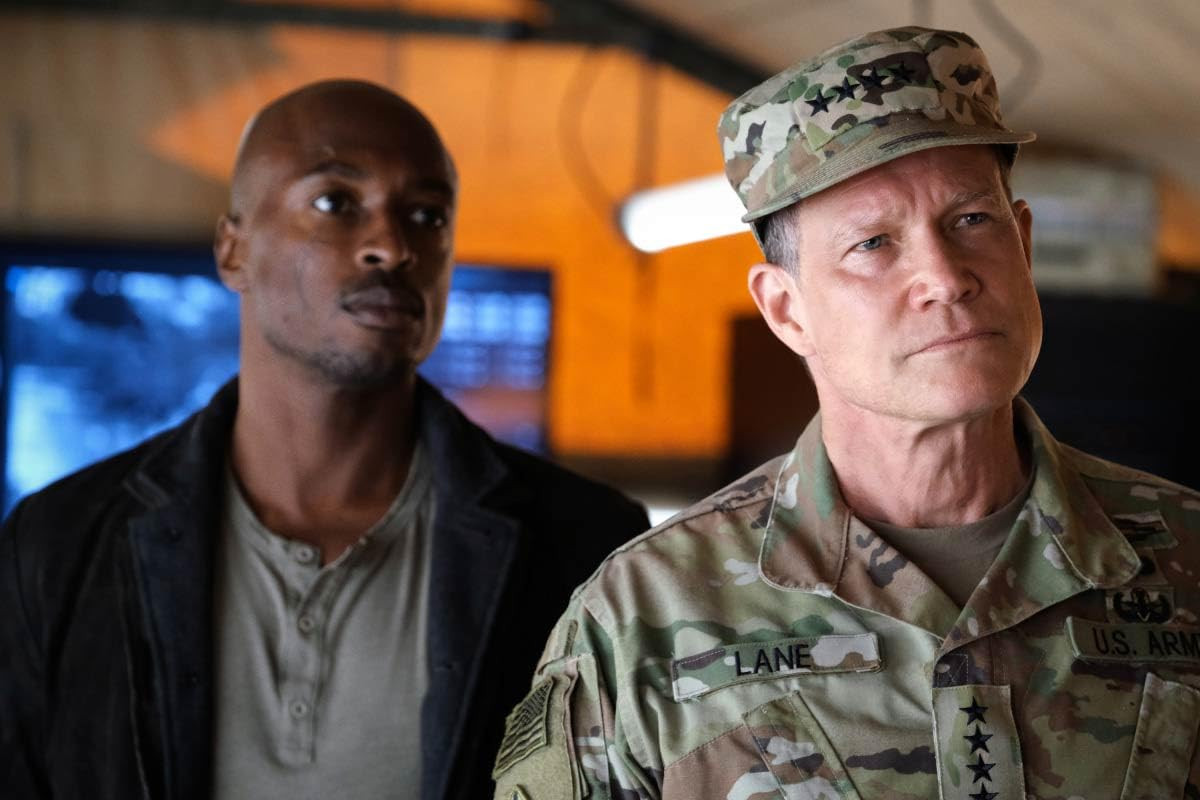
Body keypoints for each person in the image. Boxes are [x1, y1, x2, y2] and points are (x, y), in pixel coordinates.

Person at [491, 27, 1200, 800]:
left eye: (971, 220)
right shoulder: (643, 619)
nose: (945, 278)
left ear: (1024, 246)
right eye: (874, 243)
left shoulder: (1185, 558)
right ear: (787, 310)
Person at [0, 80, 648, 800]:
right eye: (337, 202)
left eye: (428, 216)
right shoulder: (57, 548)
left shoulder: (588, 552)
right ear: (233, 250)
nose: (392, 247)